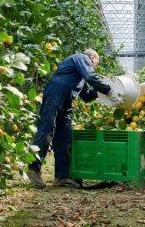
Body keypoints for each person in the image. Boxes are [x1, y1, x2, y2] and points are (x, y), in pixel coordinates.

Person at [27, 49, 122, 189]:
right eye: (96, 63)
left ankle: (62, 177)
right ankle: (33, 168)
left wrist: (104, 90)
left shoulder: (80, 76)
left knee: (65, 139)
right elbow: (91, 77)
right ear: (93, 57)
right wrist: (108, 89)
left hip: (66, 103)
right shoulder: (81, 58)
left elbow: (87, 96)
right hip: (55, 95)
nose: (95, 66)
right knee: (46, 130)